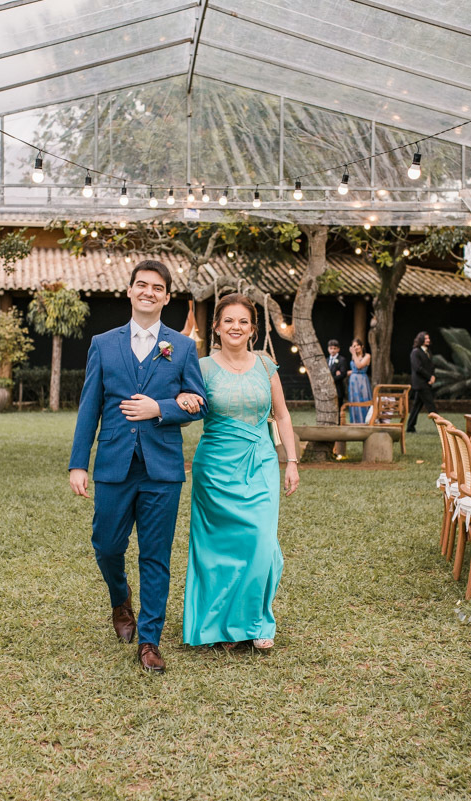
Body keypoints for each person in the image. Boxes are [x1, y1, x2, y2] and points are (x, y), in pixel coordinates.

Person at [68, 260, 206, 675]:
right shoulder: (103, 343)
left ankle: (149, 640)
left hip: (162, 469)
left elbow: (199, 402)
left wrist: (159, 408)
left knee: (156, 555)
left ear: (166, 297)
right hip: (113, 463)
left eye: (157, 287)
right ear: (129, 291)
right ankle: (119, 598)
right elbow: (89, 406)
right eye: (141, 285)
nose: (148, 292)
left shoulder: (181, 347)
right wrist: (79, 464)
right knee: (106, 546)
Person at [175, 294, 299, 651]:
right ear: (216, 327)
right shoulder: (200, 367)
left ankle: (257, 622)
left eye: (243, 321)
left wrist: (290, 460)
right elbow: (185, 408)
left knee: (262, 545)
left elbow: (283, 415)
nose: (236, 327)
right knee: (216, 550)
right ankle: (217, 627)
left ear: (253, 329)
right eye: (228, 320)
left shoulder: (266, 364)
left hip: (260, 463)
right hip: (215, 468)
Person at [407, 331, 437, 433]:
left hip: (425, 383)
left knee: (416, 406)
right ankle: (442, 427)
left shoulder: (428, 352)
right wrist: (429, 377)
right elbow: (418, 368)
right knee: (431, 406)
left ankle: (410, 427)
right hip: (420, 384)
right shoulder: (416, 352)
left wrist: (432, 377)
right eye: (426, 338)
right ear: (421, 339)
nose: (428, 340)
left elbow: (430, 366)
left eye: (428, 338)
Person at [346, 338, 372, 423]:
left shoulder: (367, 356)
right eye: (354, 346)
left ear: (362, 346)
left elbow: (359, 366)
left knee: (363, 400)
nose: (356, 347)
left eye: (357, 345)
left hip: (362, 382)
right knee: (354, 401)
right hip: (353, 382)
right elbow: (354, 370)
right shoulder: (354, 356)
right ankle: (355, 421)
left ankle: (365, 421)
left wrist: (353, 354)